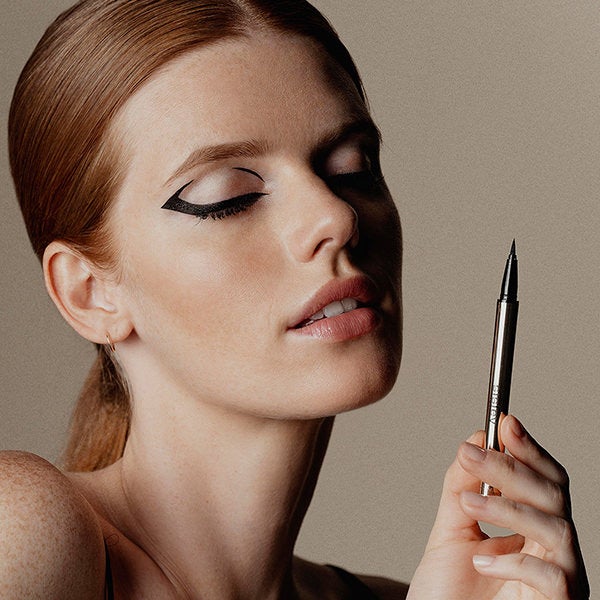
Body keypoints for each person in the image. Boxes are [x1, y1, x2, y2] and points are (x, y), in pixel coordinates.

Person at [1, 0, 589, 598]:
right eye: (228, 197)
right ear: (89, 293)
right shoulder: (20, 527)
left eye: (353, 167)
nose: (337, 216)